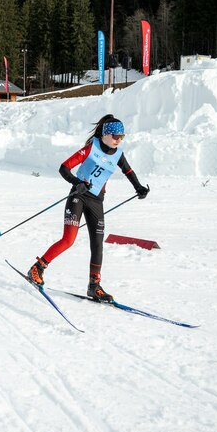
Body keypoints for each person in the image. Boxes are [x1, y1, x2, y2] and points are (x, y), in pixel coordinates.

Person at [27, 115, 150, 302]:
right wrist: (77, 183)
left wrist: (139, 187)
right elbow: (64, 168)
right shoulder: (91, 148)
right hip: (78, 196)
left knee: (98, 245)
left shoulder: (118, 154)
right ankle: (37, 268)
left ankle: (94, 286)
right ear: (105, 135)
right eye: (115, 136)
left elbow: (128, 171)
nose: (118, 140)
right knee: (68, 240)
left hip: (96, 202)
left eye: (122, 137)